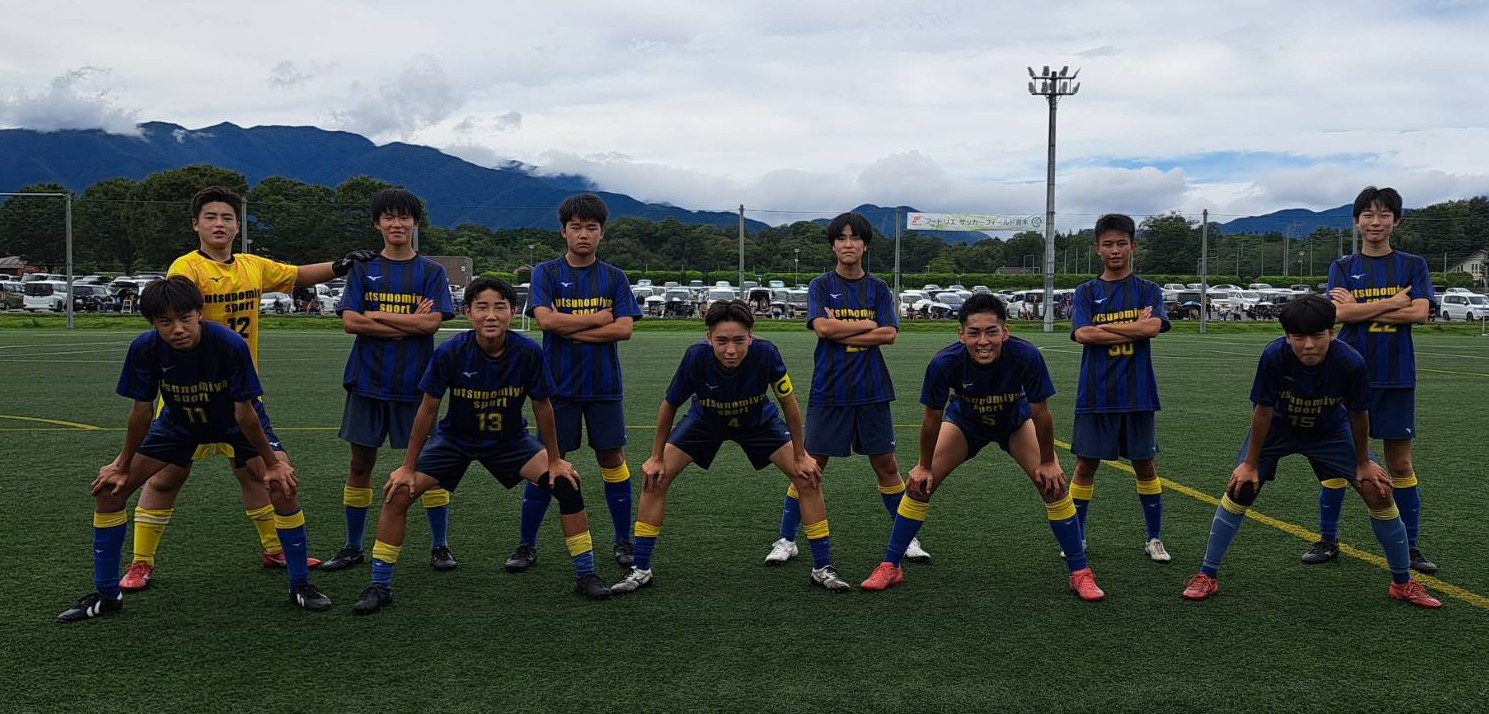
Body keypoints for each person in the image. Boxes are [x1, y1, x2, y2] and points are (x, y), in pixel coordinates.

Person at [118, 186, 375, 591]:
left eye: (227, 218)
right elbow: (172, 316)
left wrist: (340, 265)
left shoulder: (251, 266)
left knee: (259, 474)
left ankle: (275, 549)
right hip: (190, 394)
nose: (219, 224)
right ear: (195, 225)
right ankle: (141, 562)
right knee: (167, 478)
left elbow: (296, 275)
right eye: (210, 217)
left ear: (238, 225)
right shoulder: (186, 268)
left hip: (239, 393)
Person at [58, 277, 330, 622]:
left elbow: (245, 412)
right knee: (109, 490)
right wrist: (121, 464)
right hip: (179, 425)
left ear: (199, 313)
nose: (178, 329)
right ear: (152, 323)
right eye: (165, 322)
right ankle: (106, 595)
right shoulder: (144, 348)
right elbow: (141, 412)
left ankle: (300, 584)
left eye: (185, 318)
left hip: (235, 424)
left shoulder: (229, 344)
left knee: (282, 485)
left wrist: (272, 462)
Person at [350, 278, 611, 614]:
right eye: (482, 307)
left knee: (566, 484)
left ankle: (586, 574)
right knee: (398, 492)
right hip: (455, 440)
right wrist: (408, 466)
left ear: (512, 312)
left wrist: (555, 460)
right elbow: (427, 409)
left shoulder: (528, 351)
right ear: (467, 312)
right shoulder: (450, 351)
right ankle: (379, 585)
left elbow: (542, 405)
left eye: (500, 307)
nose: (491, 315)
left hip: (510, 440)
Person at [1180, 296, 1440, 608]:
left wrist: (1363, 462)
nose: (1308, 345)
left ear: (1331, 332)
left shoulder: (1350, 361)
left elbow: (1358, 413)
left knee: (1378, 490)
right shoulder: (1274, 356)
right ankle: (1207, 574)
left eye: (1317, 336)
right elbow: (1263, 410)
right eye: (1299, 337)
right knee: (1241, 488)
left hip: (1330, 432)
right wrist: (1250, 463)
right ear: (1287, 336)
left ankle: (1402, 582)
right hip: (1278, 430)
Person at [860, 294, 1103, 600]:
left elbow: (1041, 412)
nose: (983, 341)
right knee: (920, 484)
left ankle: (1080, 572)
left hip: (1014, 422)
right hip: (965, 423)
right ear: (961, 334)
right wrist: (923, 465)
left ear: (1006, 331)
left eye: (991, 332)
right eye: (974, 333)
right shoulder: (944, 362)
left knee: (1052, 485)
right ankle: (891, 566)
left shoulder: (1026, 355)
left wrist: (1047, 461)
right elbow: (932, 418)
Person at [610, 300, 850, 594]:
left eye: (739, 340)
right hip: (705, 420)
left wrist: (801, 455)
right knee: (654, 479)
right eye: (722, 341)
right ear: (709, 338)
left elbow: (789, 403)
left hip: (757, 421)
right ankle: (640, 569)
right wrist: (656, 457)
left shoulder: (766, 352)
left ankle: (822, 568)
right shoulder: (696, 356)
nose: (731, 350)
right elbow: (669, 405)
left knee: (808, 477)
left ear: (751, 336)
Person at [765, 212, 929, 567]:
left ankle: (907, 538)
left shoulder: (879, 288)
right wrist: (867, 323)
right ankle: (787, 539)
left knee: (886, 465)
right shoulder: (820, 285)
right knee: (810, 465)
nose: (848, 244)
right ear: (833, 245)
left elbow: (889, 334)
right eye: (841, 238)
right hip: (830, 389)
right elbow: (822, 329)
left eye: (855, 238)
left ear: (865, 245)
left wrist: (844, 327)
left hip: (872, 390)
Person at [321, 188, 457, 573]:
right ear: (377, 223)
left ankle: (440, 545)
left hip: (416, 385)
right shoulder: (363, 269)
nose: (397, 224)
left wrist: (378, 316)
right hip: (367, 380)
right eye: (389, 217)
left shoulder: (431, 271)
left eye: (404, 217)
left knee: (428, 464)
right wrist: (408, 323)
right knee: (360, 462)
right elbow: (351, 322)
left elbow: (431, 323)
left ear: (415, 222)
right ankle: (353, 546)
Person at [505, 194, 642, 573]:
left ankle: (623, 539)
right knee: (548, 462)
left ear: (602, 233)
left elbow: (624, 329)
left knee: (612, 459)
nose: (584, 234)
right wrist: (598, 319)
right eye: (576, 227)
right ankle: (526, 544)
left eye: (591, 228)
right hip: (557, 388)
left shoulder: (614, 277)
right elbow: (546, 322)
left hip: (603, 386)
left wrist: (570, 328)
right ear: (563, 231)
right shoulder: (546, 273)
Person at [1304, 187, 1437, 573]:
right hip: (1347, 376)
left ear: (1396, 221)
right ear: (1356, 221)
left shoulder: (1413, 264)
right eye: (1368, 215)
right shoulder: (1343, 266)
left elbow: (1420, 314)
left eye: (1383, 215)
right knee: (1336, 461)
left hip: (1396, 376)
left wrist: (1359, 307)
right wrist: (1393, 302)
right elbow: (1337, 315)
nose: (1375, 222)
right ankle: (1328, 539)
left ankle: (1410, 545)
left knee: (1400, 462)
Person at [1068, 214, 1172, 563]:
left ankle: (1154, 538)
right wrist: (1134, 326)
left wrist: (1106, 329)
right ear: (1097, 249)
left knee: (1146, 466)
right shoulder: (1086, 291)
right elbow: (1082, 334)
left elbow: (1152, 328)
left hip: (1138, 395)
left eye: (1121, 243)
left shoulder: (1147, 289)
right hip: (1095, 395)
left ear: (1133, 246)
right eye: (1108, 244)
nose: (1115, 250)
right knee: (1085, 466)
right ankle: (1076, 538)